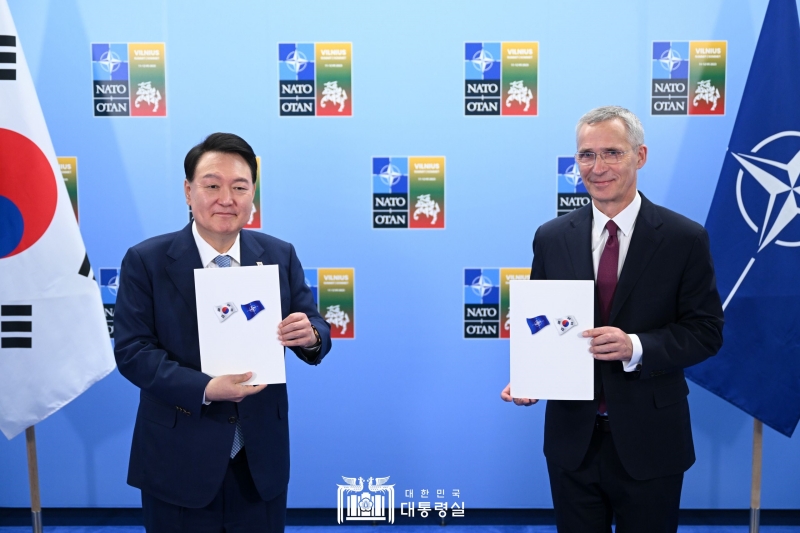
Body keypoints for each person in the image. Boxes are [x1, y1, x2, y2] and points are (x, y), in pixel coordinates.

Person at [501, 106, 723, 533]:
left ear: (640, 156)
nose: (597, 167)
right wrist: (531, 377)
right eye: (586, 155)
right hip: (572, 442)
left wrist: (636, 347)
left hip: (651, 439)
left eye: (612, 153)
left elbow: (706, 332)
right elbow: (543, 323)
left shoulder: (684, 238)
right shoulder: (550, 237)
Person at [114, 132, 331, 532]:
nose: (226, 198)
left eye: (239, 187)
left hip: (260, 461)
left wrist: (312, 334)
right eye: (212, 185)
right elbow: (132, 352)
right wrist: (205, 389)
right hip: (178, 458)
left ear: (252, 195)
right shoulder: (146, 260)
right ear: (188, 191)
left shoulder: (279, 254)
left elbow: (314, 326)